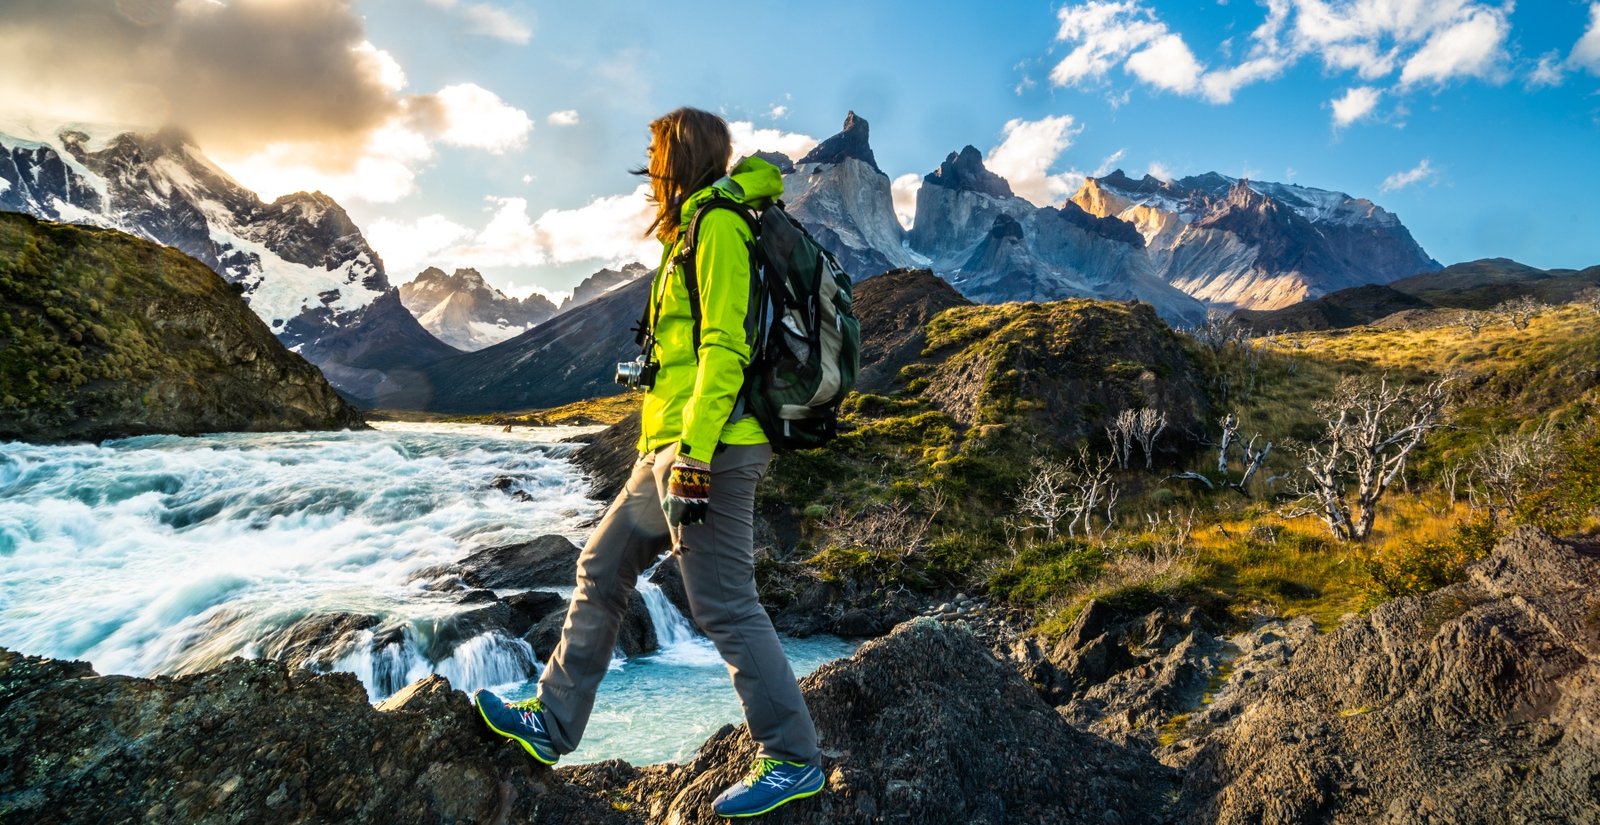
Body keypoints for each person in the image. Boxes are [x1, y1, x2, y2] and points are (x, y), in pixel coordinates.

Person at [472, 107, 824, 819]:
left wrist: (692, 456)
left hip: (711, 449)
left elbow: (725, 350)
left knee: (724, 602)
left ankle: (793, 758)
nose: (649, 167)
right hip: (666, 449)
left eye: (656, 153)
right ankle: (552, 720)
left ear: (680, 157)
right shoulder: (693, 228)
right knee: (600, 568)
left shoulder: (720, 226)